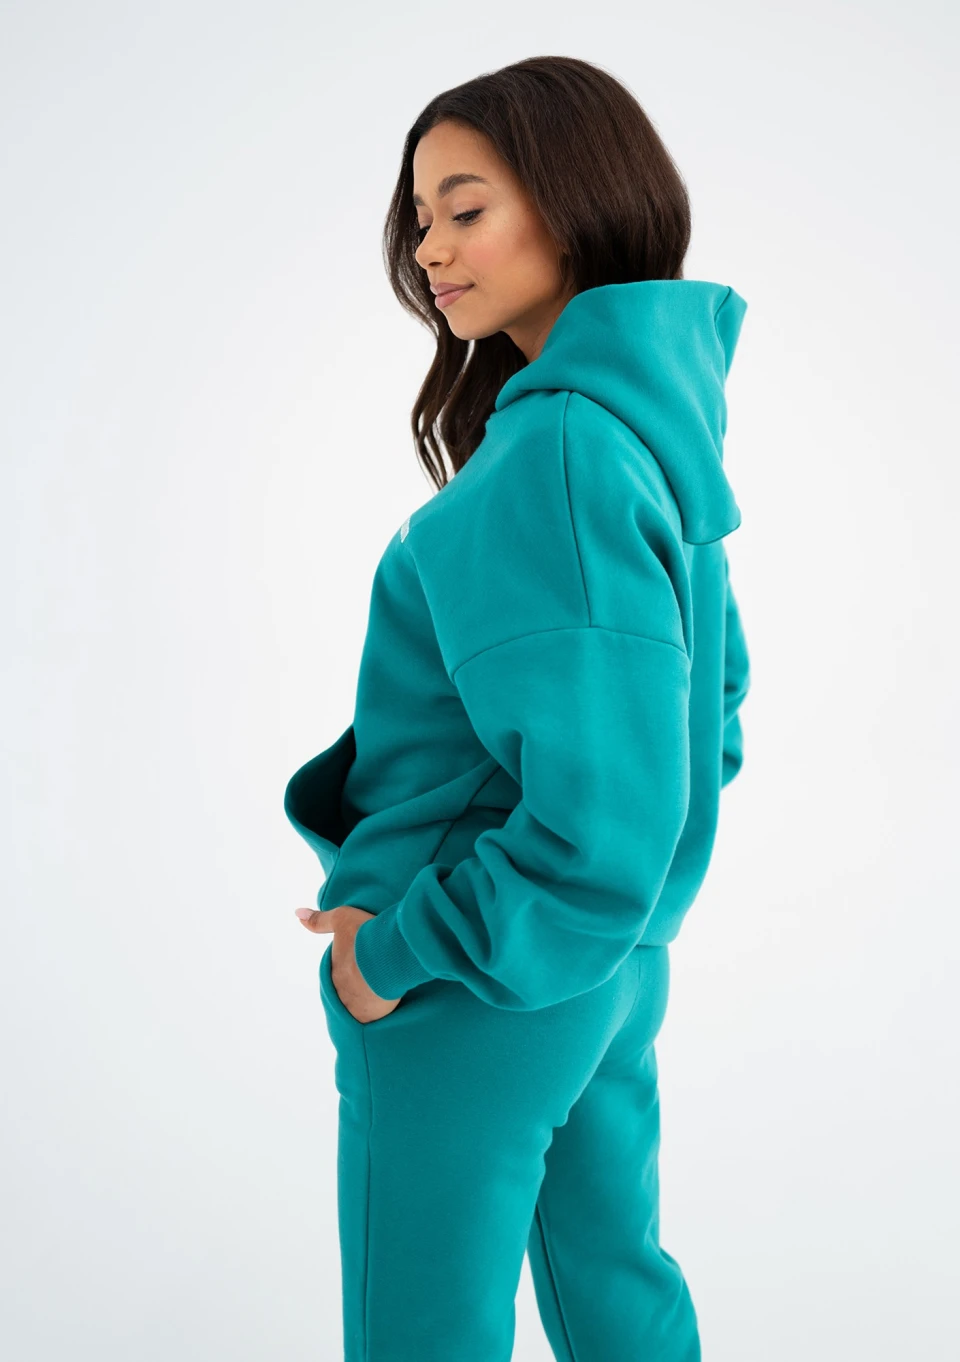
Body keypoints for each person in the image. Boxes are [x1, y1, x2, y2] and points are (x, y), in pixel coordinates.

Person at [286, 54, 751, 1362]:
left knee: (420, 1334)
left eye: (466, 207)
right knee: (616, 1297)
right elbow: (709, 712)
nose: (429, 249)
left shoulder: (554, 449)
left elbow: (609, 815)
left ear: (573, 199)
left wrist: (392, 952)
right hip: (603, 970)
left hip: (471, 984)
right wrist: (613, 918)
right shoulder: (651, 430)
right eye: (418, 218)